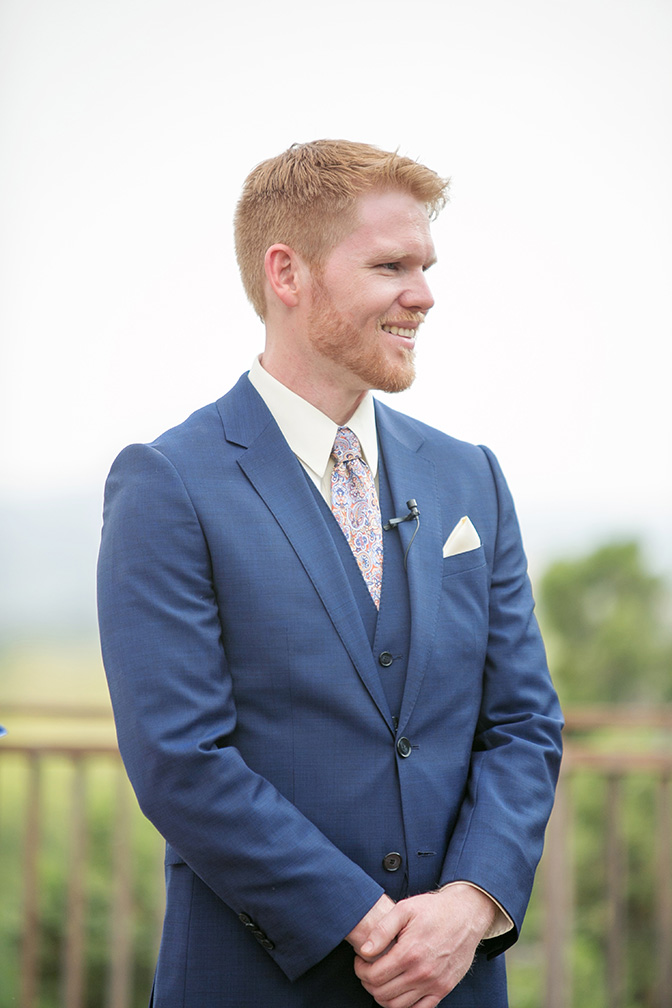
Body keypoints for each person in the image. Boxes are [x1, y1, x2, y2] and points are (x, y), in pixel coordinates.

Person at [97, 139, 563, 1008]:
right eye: (391, 265)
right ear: (288, 273)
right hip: (255, 983)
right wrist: (367, 922)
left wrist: (468, 908)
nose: (423, 295)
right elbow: (179, 757)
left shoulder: (473, 479)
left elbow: (525, 722)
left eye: (424, 265)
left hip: (456, 980)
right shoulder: (169, 483)